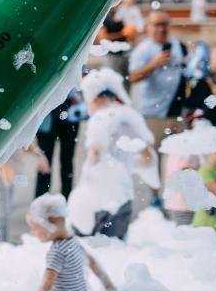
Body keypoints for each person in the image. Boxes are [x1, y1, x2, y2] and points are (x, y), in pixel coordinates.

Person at [67, 68, 158, 240]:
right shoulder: (130, 116)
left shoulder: (100, 118)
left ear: (96, 97)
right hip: (123, 195)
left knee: (91, 248)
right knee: (115, 249)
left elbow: (95, 152)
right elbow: (147, 158)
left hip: (98, 197)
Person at [23, 194, 122, 291]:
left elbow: (46, 286)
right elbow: (93, 263)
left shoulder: (57, 252)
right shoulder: (73, 242)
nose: (33, 232)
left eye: (35, 228)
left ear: (50, 223)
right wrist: (109, 286)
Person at [128, 10, 188, 142]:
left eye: (165, 24)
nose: (161, 29)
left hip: (175, 112)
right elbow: (132, 78)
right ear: (148, 26)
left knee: (175, 160)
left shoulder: (178, 45)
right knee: (152, 159)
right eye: (157, 25)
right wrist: (153, 64)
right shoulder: (143, 50)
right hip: (152, 114)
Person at [35, 91, 83, 198]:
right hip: (48, 111)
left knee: (67, 161)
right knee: (44, 162)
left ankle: (67, 200)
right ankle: (41, 202)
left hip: (70, 111)